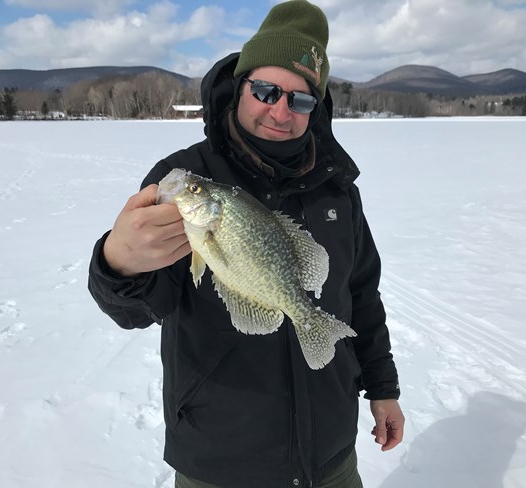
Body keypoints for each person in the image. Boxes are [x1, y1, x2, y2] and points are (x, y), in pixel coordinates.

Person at [88, 1, 404, 487]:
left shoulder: (337, 188)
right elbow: (136, 310)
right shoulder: (187, 179)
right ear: (241, 87)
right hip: (221, 458)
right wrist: (119, 264)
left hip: (331, 455)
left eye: (301, 100)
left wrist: (382, 388)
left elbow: (361, 294)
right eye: (266, 90)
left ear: (315, 109)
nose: (280, 110)